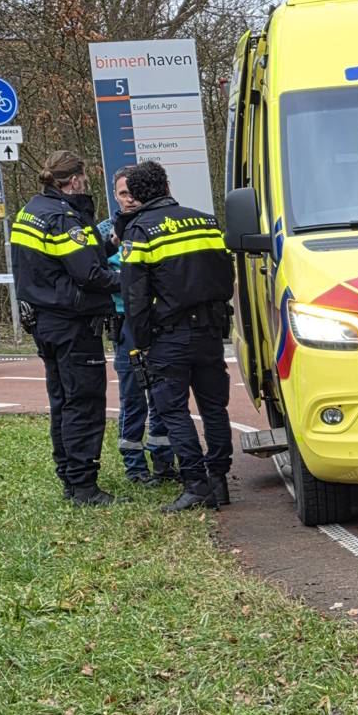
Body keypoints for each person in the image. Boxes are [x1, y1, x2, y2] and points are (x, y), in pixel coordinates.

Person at [118, 160, 235, 513]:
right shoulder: (206, 221)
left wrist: (139, 344)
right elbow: (225, 276)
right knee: (214, 407)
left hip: (168, 336)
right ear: (167, 186)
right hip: (211, 330)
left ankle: (195, 484)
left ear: (136, 194)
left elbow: (134, 297)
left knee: (173, 410)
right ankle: (219, 480)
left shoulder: (139, 231)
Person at [11, 150, 119, 505]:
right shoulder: (64, 217)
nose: (85, 183)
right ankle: (84, 486)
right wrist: (128, 279)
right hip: (73, 322)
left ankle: (69, 478)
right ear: (74, 179)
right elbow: (88, 273)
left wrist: (107, 243)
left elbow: (63, 259)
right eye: (84, 177)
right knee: (84, 402)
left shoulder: (32, 210)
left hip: (45, 321)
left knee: (62, 400)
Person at [97, 169, 175, 484]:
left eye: (133, 193)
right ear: (115, 196)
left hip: (160, 321)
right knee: (132, 396)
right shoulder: (104, 231)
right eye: (123, 194)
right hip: (125, 322)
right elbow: (96, 274)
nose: (129, 199)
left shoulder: (158, 224)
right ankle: (135, 467)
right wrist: (133, 284)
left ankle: (164, 463)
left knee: (163, 394)